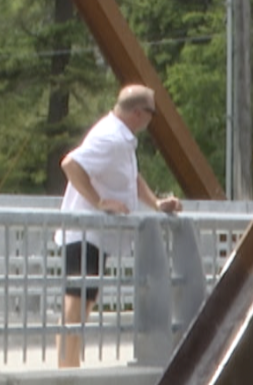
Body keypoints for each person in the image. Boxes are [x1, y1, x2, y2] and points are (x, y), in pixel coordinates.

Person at [54, 84, 182, 369]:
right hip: (84, 232)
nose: (152, 119)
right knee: (77, 298)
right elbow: (70, 164)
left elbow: (131, 179)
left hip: (95, 235)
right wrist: (99, 201)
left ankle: (70, 364)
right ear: (139, 113)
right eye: (152, 113)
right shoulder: (111, 137)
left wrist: (156, 203)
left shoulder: (121, 139)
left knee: (85, 298)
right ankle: (66, 369)